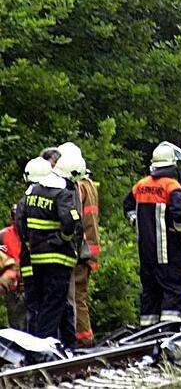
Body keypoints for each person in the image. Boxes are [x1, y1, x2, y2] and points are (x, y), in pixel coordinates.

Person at [15, 154, 82, 346]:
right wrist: (64, 239)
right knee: (53, 305)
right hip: (58, 259)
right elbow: (71, 222)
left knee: (41, 306)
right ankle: (45, 347)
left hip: (35, 259)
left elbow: (21, 226)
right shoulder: (61, 194)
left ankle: (59, 346)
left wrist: (31, 243)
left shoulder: (29, 197)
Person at [123, 141, 181, 326]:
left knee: (150, 295)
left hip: (146, 255)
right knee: (174, 291)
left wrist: (136, 221)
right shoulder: (171, 186)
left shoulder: (141, 185)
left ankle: (147, 337)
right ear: (172, 165)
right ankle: (168, 334)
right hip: (170, 254)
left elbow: (127, 205)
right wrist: (180, 231)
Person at [56, 142, 101, 347]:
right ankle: (84, 338)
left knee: (76, 297)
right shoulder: (90, 185)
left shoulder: (78, 187)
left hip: (80, 250)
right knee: (80, 296)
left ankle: (82, 341)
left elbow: (73, 219)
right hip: (90, 248)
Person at [0, 158, 48, 330]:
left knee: (32, 317)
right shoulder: (4, 236)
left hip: (30, 279)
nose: (16, 218)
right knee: (17, 322)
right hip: (13, 286)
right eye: (14, 215)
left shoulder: (30, 232)